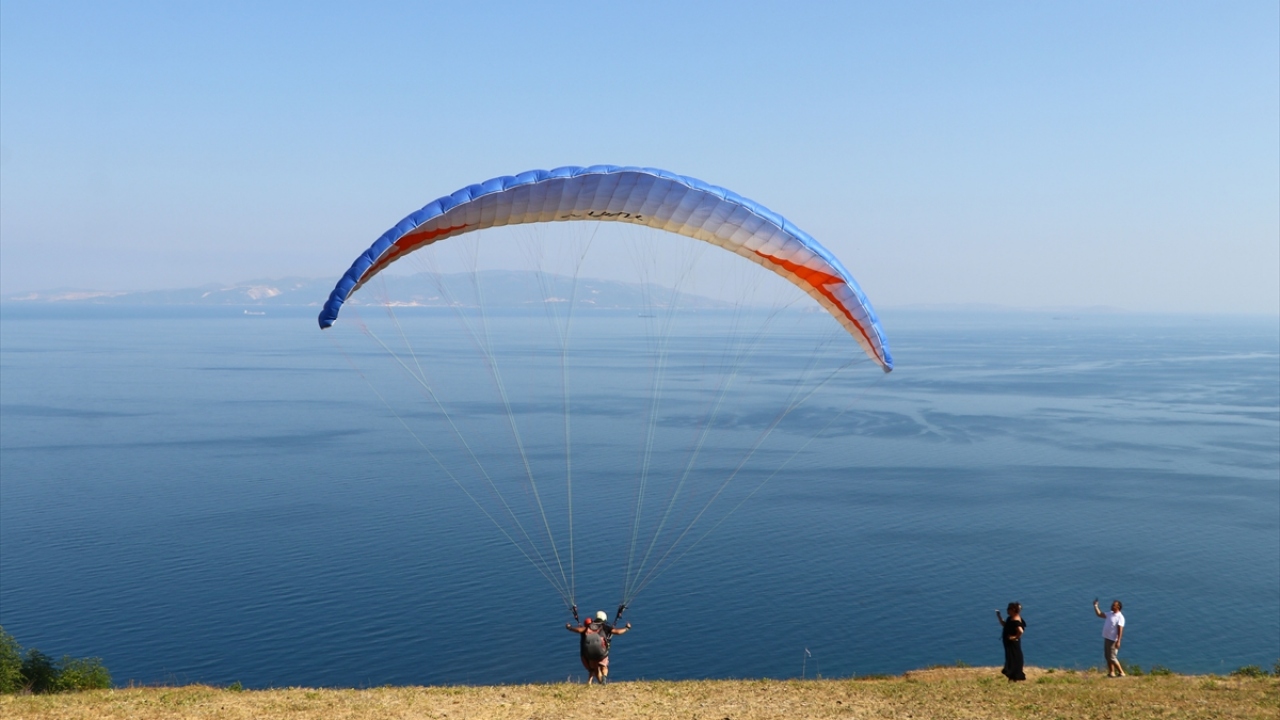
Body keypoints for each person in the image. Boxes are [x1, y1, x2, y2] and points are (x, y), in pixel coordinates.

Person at [565, 612, 630, 684]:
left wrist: (570, 627)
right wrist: (627, 628)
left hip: (589, 653)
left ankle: (600, 683)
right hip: (601, 653)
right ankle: (604, 678)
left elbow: (579, 630)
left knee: (595, 669)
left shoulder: (588, 627)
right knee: (604, 666)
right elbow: (617, 632)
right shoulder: (605, 627)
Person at [1093, 598, 1126, 677]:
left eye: (1114, 605)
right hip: (1107, 638)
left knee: (1112, 657)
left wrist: (1118, 641)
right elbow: (1099, 614)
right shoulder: (1110, 613)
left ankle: (1122, 672)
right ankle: (1112, 672)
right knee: (1107, 657)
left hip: (1113, 640)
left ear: (1118, 607)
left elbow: (1120, 630)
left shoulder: (1120, 617)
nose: (1111, 606)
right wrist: (1096, 606)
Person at [995, 602, 1026, 681]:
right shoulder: (1011, 618)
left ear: (1013, 610)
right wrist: (999, 616)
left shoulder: (1015, 620)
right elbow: (1005, 625)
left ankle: (1015, 675)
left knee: (1014, 658)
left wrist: (1015, 637)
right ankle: (1012, 676)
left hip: (1013, 643)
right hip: (1009, 643)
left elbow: (1020, 631)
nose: (1007, 610)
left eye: (1008, 609)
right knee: (1010, 658)